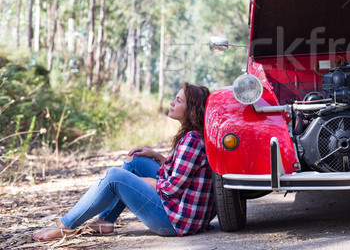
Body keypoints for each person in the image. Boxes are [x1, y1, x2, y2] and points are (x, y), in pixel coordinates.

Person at [33, 83, 216, 241]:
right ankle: (105, 220)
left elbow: (171, 188)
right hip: (184, 216)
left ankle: (64, 225)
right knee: (136, 161)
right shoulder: (194, 136)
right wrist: (156, 156)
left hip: (174, 221)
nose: (172, 102)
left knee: (115, 176)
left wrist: (137, 182)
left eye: (178, 100)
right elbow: (184, 171)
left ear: (190, 109)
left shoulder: (192, 139)